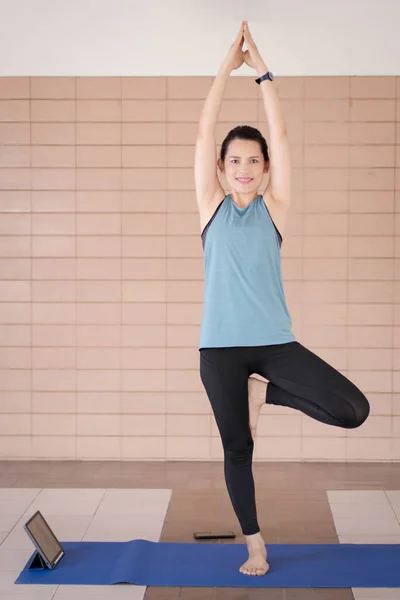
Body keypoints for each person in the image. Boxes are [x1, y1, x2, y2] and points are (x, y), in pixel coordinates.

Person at [195, 21, 370, 577]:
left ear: (265, 169)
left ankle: (264, 394)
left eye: (254, 161)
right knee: (237, 451)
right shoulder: (210, 208)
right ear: (223, 170)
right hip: (220, 350)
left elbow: (284, 135)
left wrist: (263, 73)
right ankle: (255, 545)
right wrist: (225, 69)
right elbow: (203, 135)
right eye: (234, 161)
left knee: (352, 410)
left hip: (275, 347)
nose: (244, 169)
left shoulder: (275, 209)